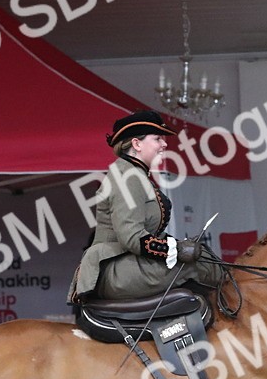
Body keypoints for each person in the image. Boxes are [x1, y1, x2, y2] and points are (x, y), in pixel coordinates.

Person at [68, 110, 221, 304]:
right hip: (113, 269)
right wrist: (175, 249)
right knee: (198, 265)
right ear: (136, 144)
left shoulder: (135, 174)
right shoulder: (126, 177)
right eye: (158, 139)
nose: (164, 144)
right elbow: (131, 237)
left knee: (205, 257)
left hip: (128, 262)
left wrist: (178, 245)